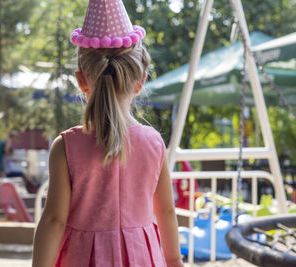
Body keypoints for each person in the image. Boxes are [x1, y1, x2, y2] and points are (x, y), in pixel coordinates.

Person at [32, 0, 183, 266]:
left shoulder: (65, 146)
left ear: (80, 80)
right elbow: (167, 211)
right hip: (143, 258)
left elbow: (54, 220)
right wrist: (174, 262)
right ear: (140, 81)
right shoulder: (154, 143)